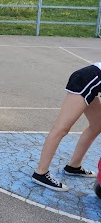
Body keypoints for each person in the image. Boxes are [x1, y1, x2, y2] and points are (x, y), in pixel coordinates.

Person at [32, 63, 101, 192]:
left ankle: (74, 166)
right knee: (61, 128)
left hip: (91, 80)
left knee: (98, 124)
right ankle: (40, 173)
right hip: (87, 79)